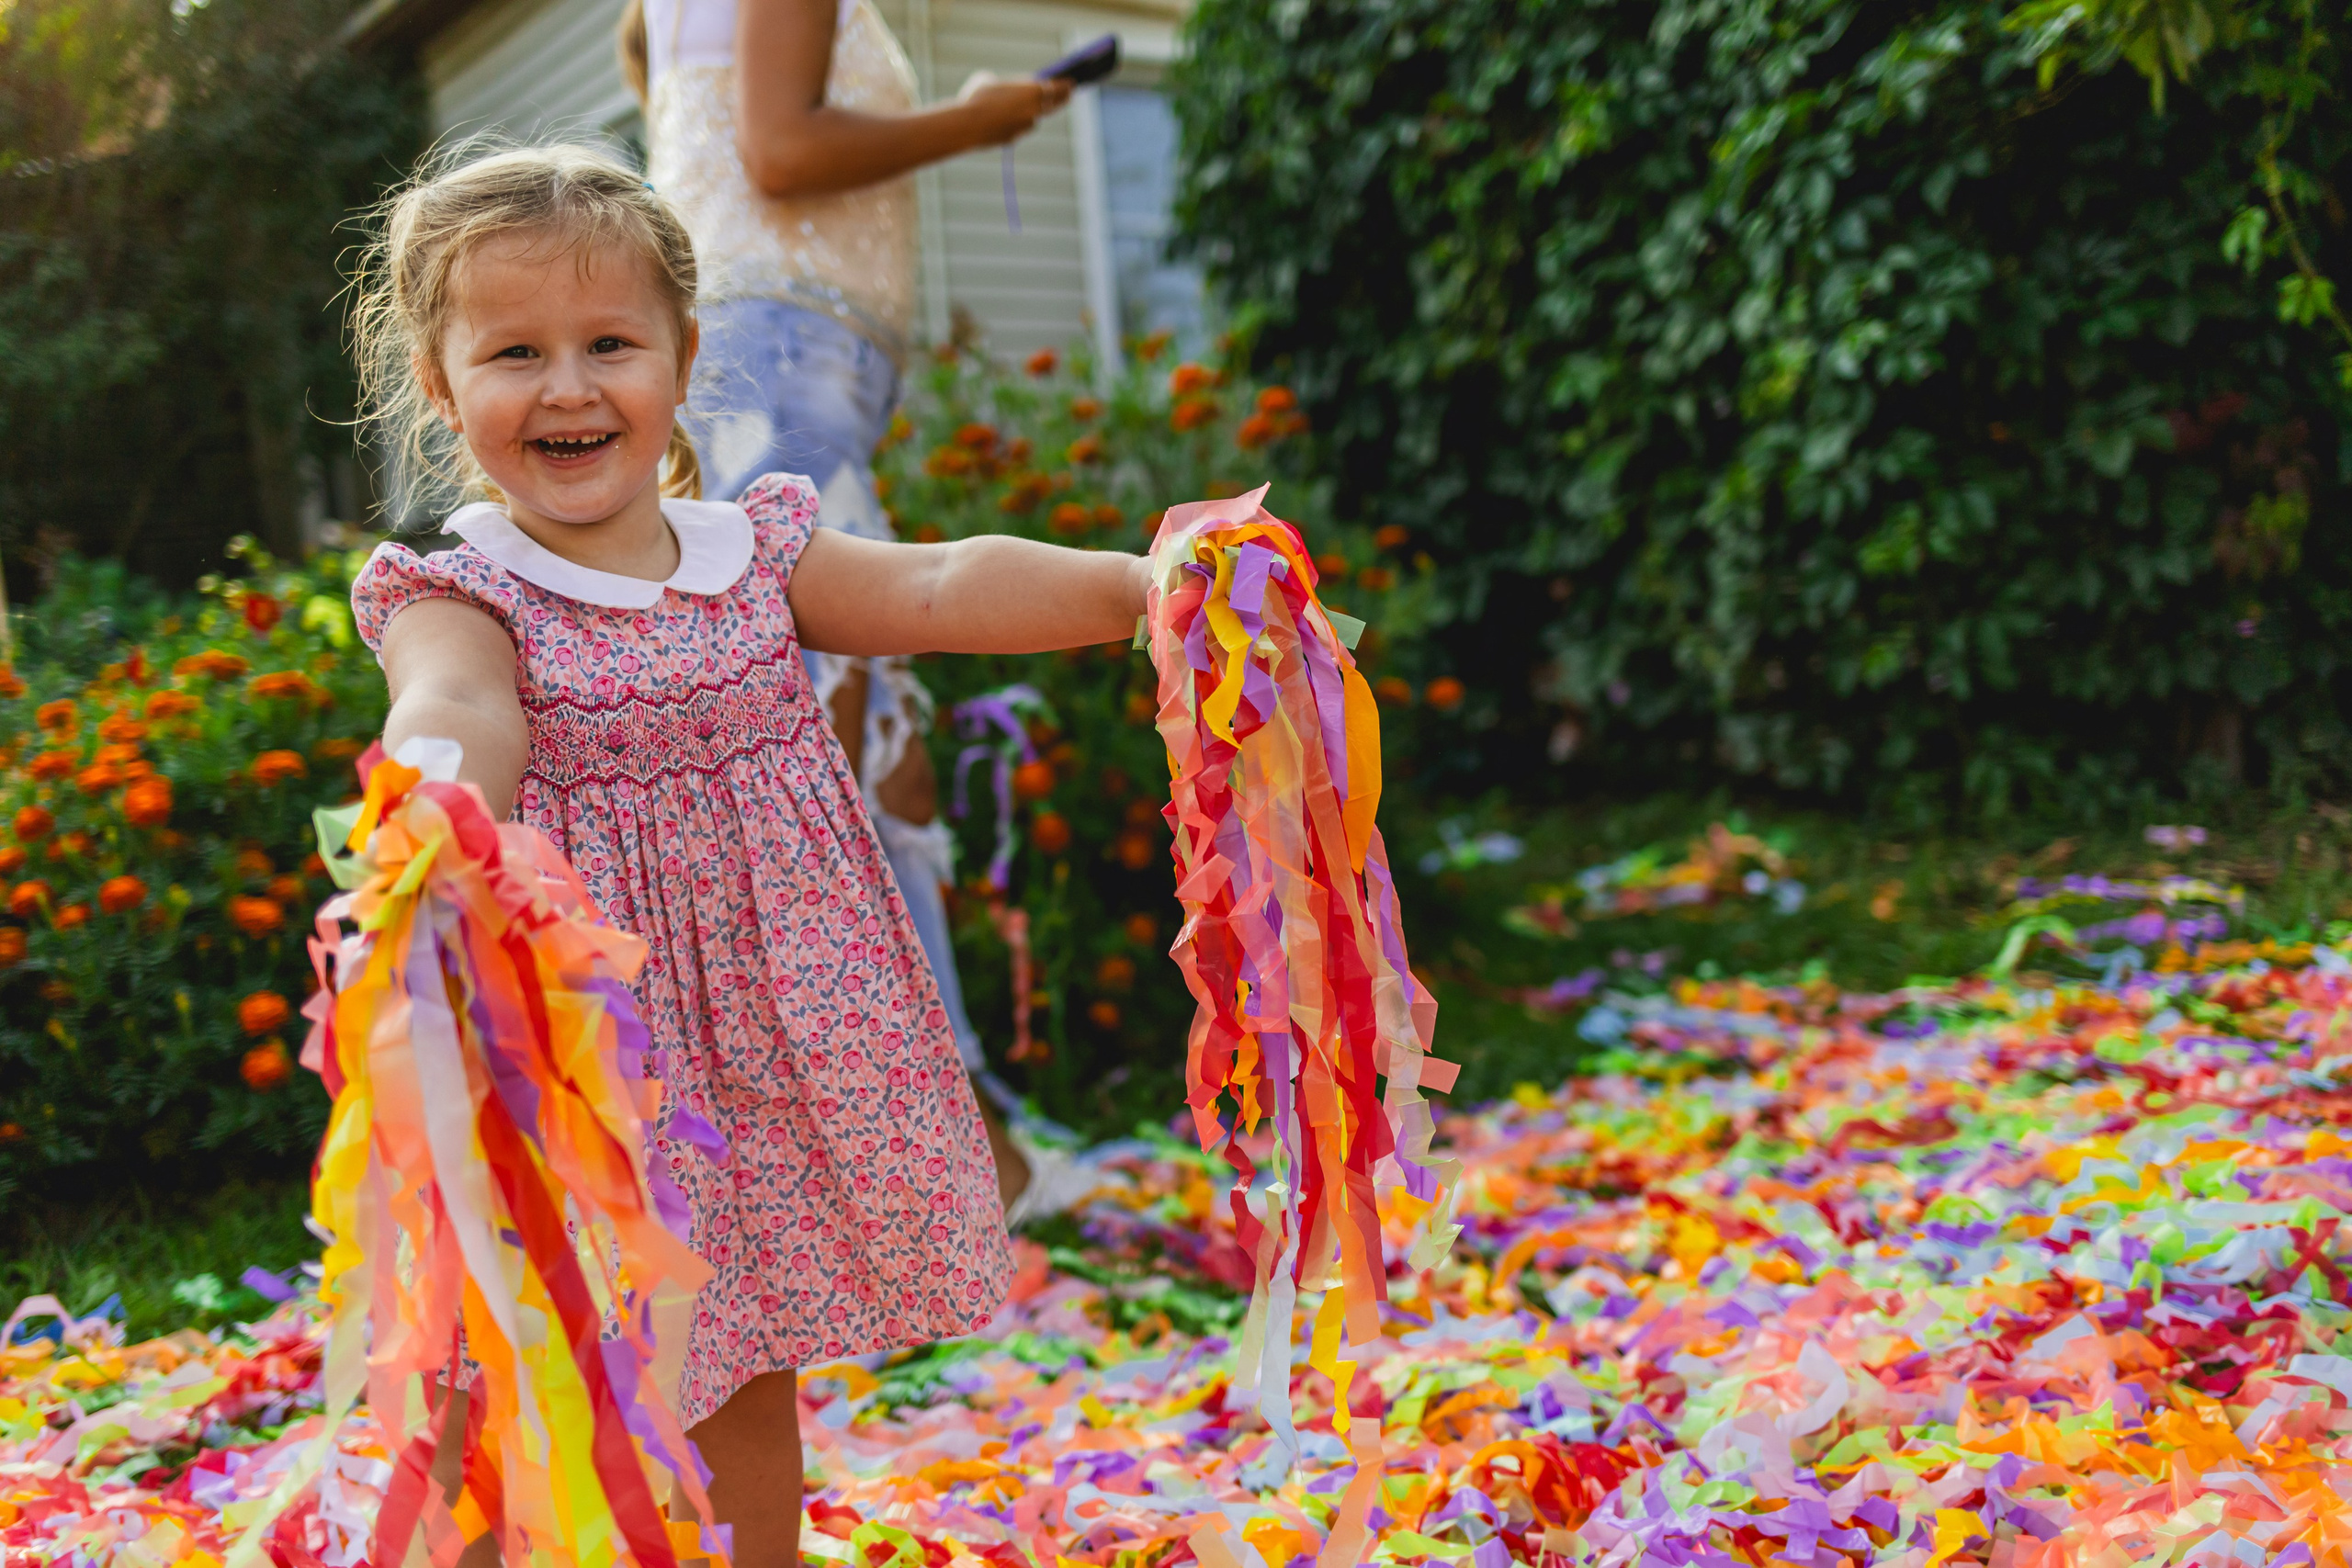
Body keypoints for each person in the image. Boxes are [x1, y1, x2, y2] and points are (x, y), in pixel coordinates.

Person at [345, 142, 1148, 1568]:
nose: (572, 386)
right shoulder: (459, 588)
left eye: (610, 343)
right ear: (441, 383)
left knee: (743, 1342)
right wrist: (437, 795)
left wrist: (1141, 590)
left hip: (768, 1050)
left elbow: (940, 579)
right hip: (578, 1051)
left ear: (683, 355)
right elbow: (454, 705)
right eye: (515, 352)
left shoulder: (755, 549)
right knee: (511, 1360)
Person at [621, 0, 1078, 1213]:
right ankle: (949, 1143)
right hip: (776, 357)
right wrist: (969, 122)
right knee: (862, 751)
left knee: (838, 742)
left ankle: (907, 1130)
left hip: (775, 356)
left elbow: (679, 98)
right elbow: (778, 151)